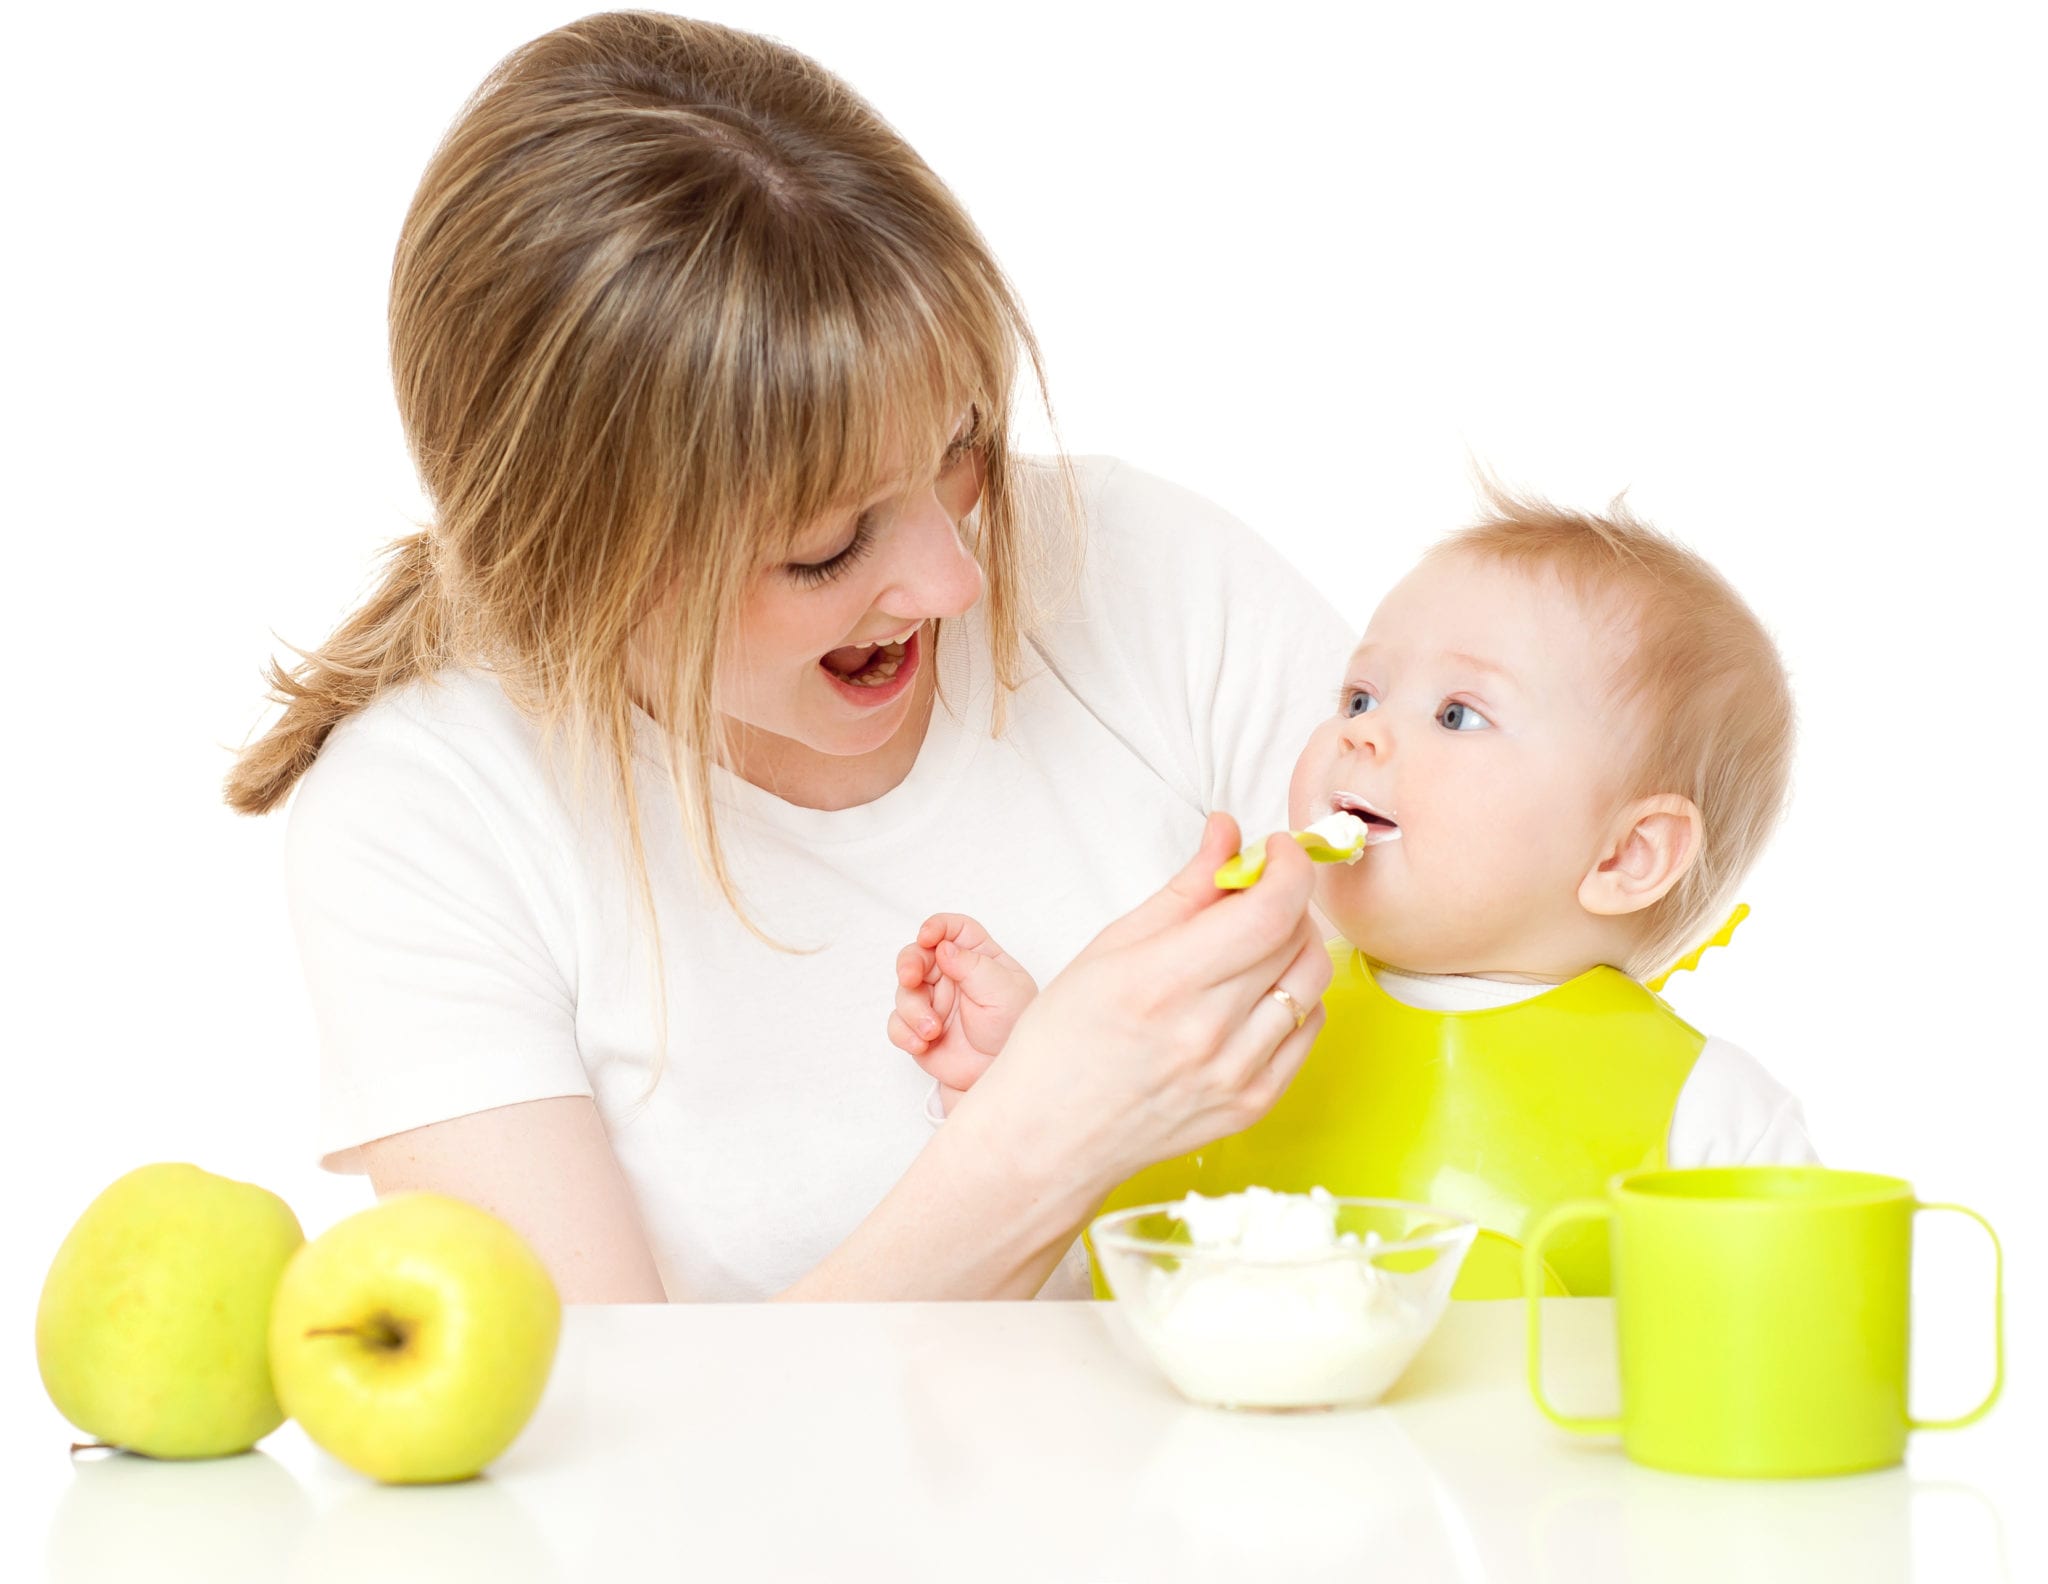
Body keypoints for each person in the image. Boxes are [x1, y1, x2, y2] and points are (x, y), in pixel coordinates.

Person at [225, 11, 1355, 1302]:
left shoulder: (1145, 569)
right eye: (825, 546)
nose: (954, 579)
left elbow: (1500, 941)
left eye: (959, 449)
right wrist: (1047, 1136)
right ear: (578, 556)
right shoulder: (433, 818)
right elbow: (601, 1416)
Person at [890, 485, 1816, 1291]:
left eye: (1457, 715)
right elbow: (1114, 1242)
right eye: (1360, 697)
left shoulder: (1706, 1115)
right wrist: (1014, 1076)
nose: (1359, 734)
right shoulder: (1250, 1016)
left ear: (1628, 856)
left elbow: (1782, 1361)